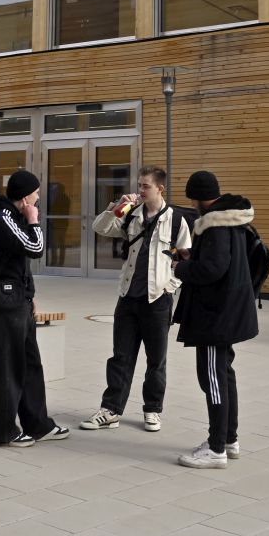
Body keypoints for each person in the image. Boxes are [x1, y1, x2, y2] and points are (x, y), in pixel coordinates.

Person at [82, 165, 192, 434]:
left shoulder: (176, 220)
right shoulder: (131, 214)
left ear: (160, 188)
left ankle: (152, 409)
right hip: (128, 297)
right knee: (120, 357)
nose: (140, 190)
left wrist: (169, 286)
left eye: (146, 186)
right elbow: (99, 227)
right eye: (139, 185)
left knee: (156, 360)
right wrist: (115, 207)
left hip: (157, 300)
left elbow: (186, 258)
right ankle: (111, 410)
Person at [172, 170, 259, 468]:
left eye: (192, 199)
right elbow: (220, 260)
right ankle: (229, 440)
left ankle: (216, 448)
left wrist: (181, 269)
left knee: (213, 379)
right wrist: (192, 255)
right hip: (229, 312)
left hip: (215, 316)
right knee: (224, 375)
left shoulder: (214, 225)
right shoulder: (231, 219)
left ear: (198, 198)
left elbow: (213, 269)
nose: (192, 205)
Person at [0, 169, 68, 447]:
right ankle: (2, 431)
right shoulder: (3, 219)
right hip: (5, 302)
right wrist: (34, 220)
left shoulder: (11, 217)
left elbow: (18, 262)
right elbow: (35, 247)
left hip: (19, 299)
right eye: (36, 192)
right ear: (25, 196)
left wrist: (29, 294)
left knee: (30, 365)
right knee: (9, 367)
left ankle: (38, 424)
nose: (39, 197)